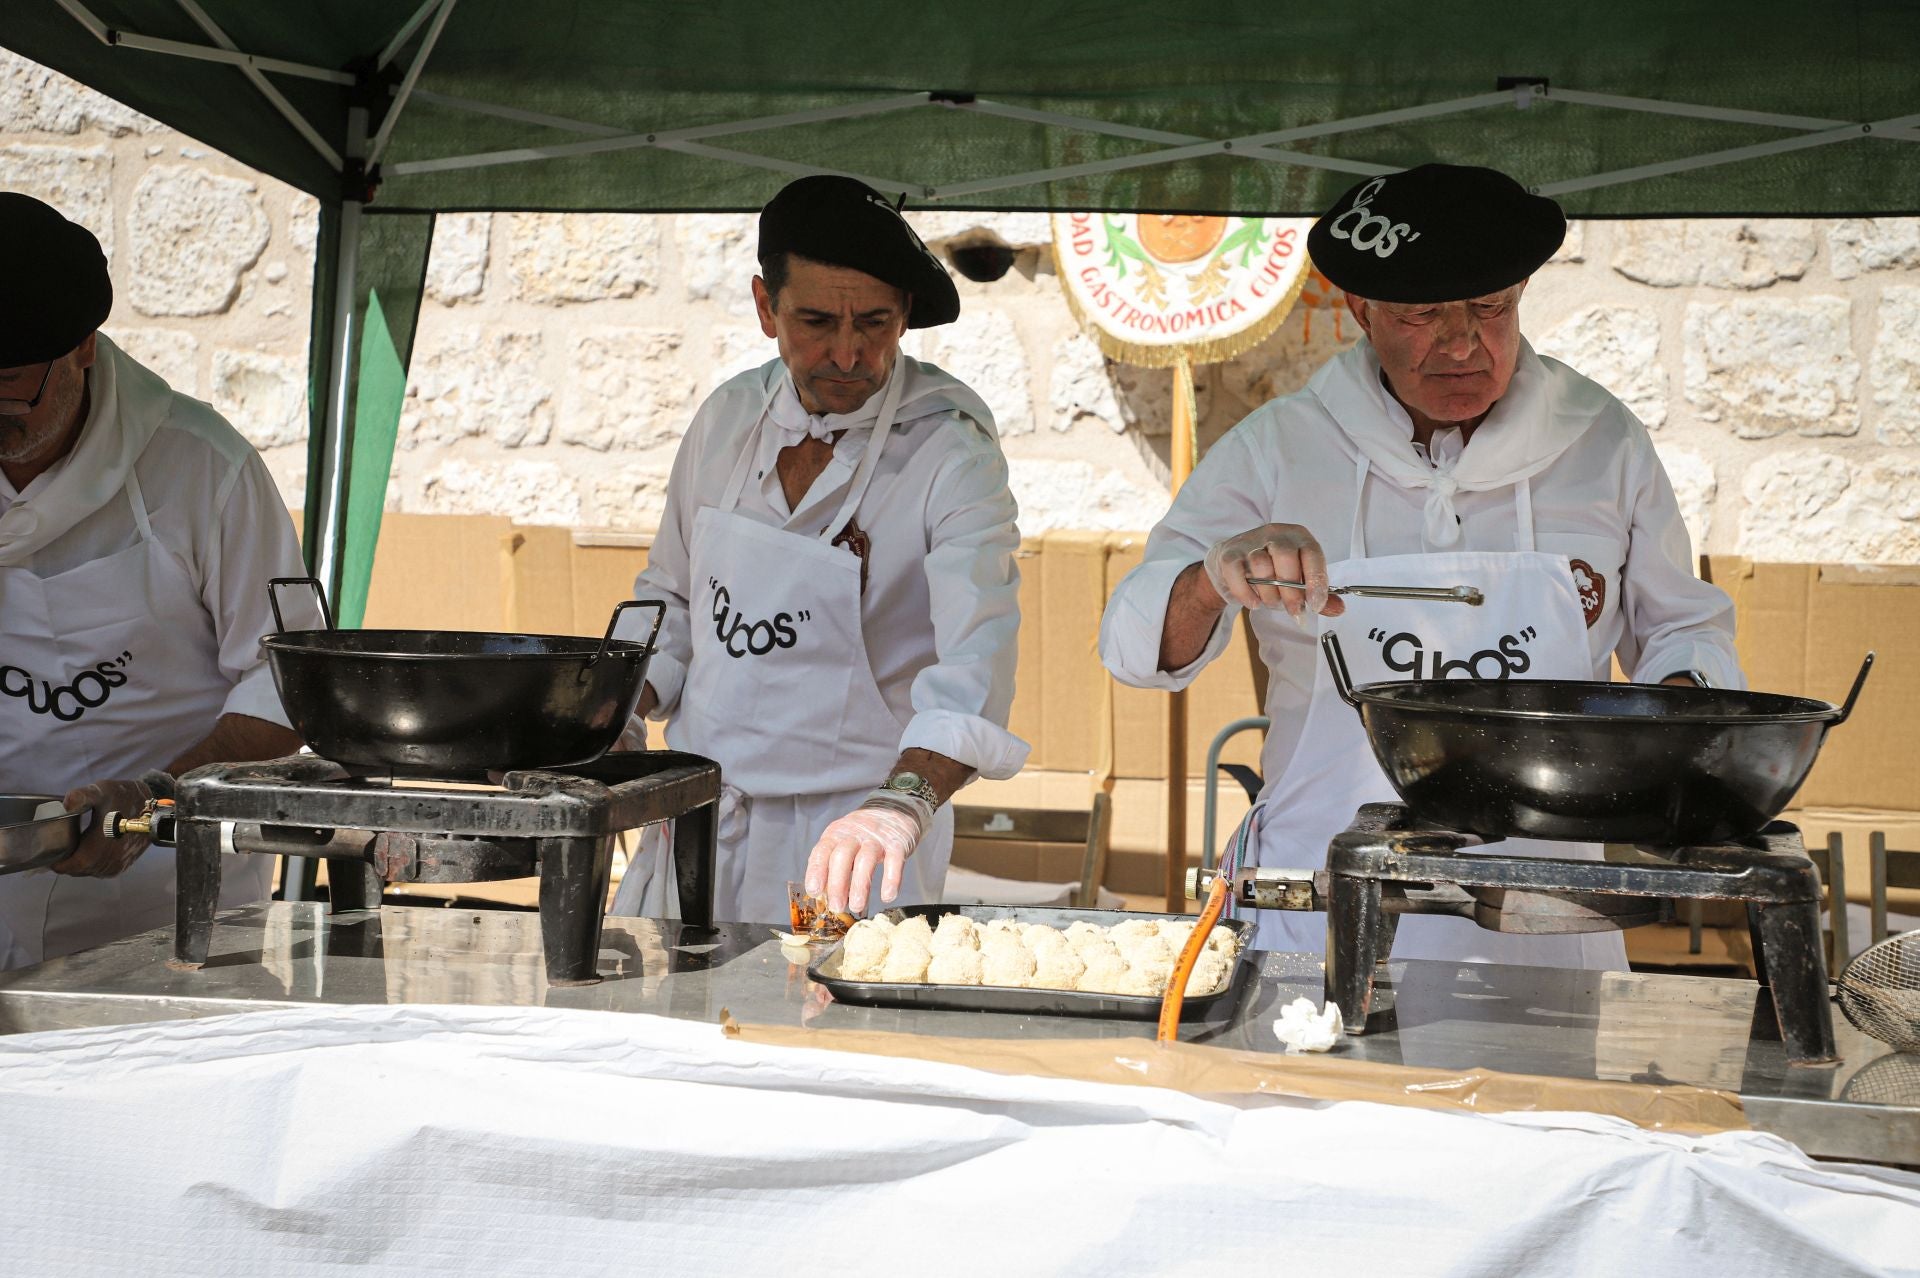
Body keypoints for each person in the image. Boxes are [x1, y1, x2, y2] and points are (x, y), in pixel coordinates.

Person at [1099, 164, 1743, 966]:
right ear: (1360, 309)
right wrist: (1210, 578)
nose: (1463, 344)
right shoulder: (1278, 448)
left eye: (1490, 308)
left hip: (1539, 902)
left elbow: (1683, 624)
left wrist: (1676, 708)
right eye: (1422, 315)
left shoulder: (1602, 443)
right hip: (1325, 882)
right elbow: (1132, 643)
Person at [609, 175, 1027, 925]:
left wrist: (897, 809)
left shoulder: (950, 450)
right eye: (814, 321)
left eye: (874, 322)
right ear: (765, 307)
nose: (847, 352)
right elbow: (668, 599)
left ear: (905, 316)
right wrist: (611, 710)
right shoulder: (726, 419)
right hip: (699, 821)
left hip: (852, 844)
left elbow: (974, 670)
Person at [0, 193, 316, 969]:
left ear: (82, 348)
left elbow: (288, 687)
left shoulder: (205, 470)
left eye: (10, 384)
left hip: (171, 897)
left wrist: (155, 797)